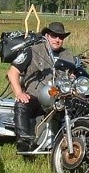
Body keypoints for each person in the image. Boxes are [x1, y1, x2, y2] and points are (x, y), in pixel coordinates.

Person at [7, 22, 75, 152]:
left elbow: (74, 75)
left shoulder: (68, 55)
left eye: (61, 37)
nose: (57, 40)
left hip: (61, 98)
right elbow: (12, 72)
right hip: (36, 96)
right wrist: (19, 93)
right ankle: (24, 142)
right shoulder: (32, 50)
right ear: (47, 36)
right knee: (22, 104)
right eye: (54, 36)